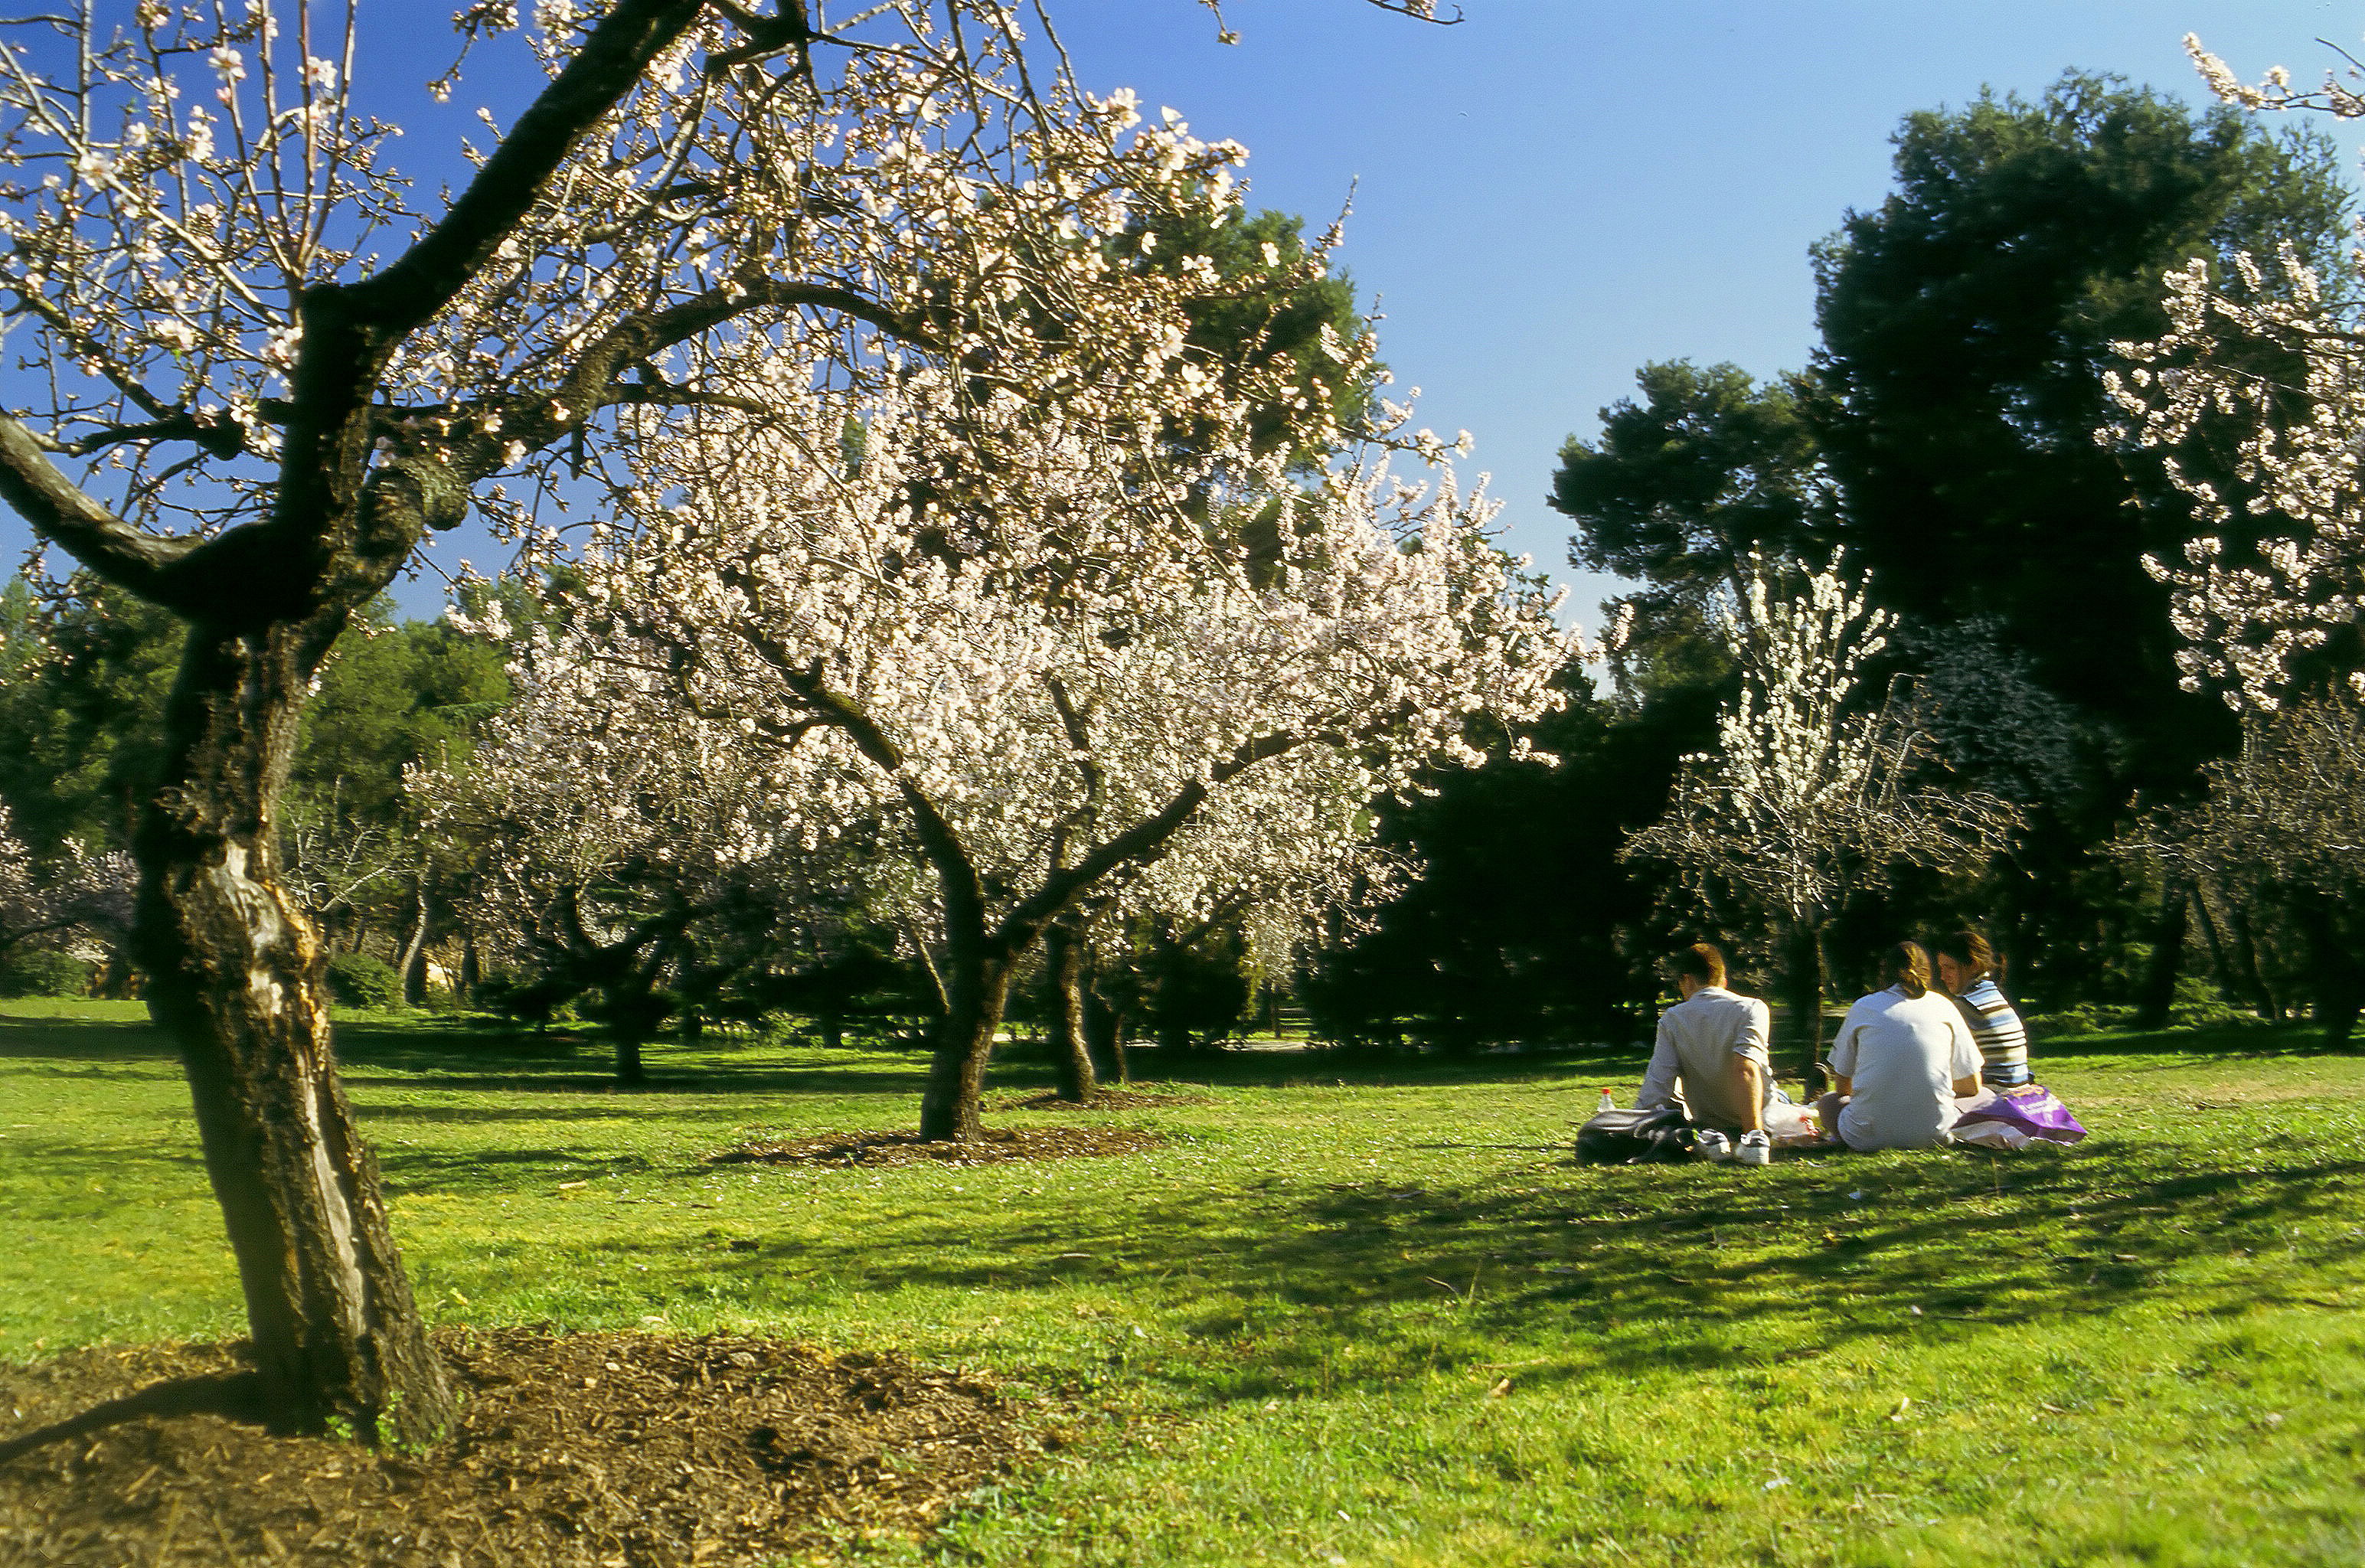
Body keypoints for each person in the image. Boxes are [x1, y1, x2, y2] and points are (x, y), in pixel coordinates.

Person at [1817, 941, 1982, 1152]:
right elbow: (1972, 1086)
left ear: (1885, 972)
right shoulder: (1944, 1006)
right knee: (1985, 1096)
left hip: (1866, 1138)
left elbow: (1842, 1089)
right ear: (1928, 971)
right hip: (1936, 1135)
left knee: (1828, 1102)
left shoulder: (1864, 1007)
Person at [1637, 942, 1774, 1166]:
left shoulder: (1673, 1019)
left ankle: (1720, 1141)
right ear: (1723, 981)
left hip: (1709, 1122)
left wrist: (1637, 1120)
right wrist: (1753, 1132)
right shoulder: (1752, 1008)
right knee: (1785, 1099)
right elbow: (1745, 1069)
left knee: (1675, 1097)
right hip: (1760, 1117)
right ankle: (1754, 1141)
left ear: (1687, 980)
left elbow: (1659, 1082)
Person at [1933, 930, 2031, 1089]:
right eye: (1941, 968)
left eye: (1949, 968)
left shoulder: (1966, 1005)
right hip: (2017, 1091)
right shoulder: (1992, 996)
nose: (1943, 976)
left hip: (1995, 1098)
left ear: (1974, 966)